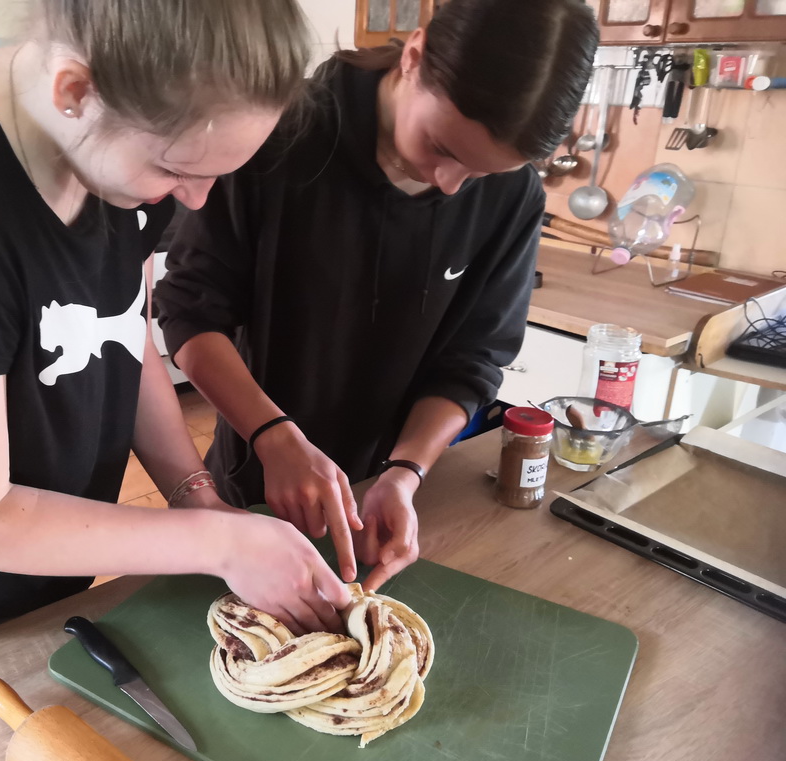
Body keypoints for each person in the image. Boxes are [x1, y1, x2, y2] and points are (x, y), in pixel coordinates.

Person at [0, 0, 351, 679]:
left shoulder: (108, 157)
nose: (196, 200)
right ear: (75, 91)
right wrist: (219, 541)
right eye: (176, 169)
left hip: (58, 554)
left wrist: (195, 495)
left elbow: (127, 333)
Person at [154, 0, 599, 592]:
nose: (449, 186)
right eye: (442, 148)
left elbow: (472, 359)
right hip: (259, 473)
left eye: (481, 174)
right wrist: (274, 436)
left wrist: (406, 471)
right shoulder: (276, 134)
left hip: (392, 492)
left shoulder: (514, 197)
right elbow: (190, 311)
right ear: (414, 56)